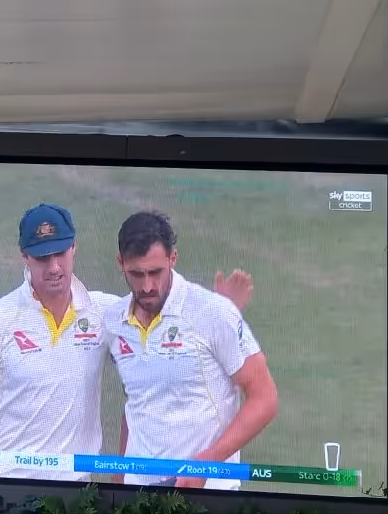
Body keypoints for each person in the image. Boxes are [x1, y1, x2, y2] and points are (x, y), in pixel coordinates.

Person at [0, 203, 251, 481]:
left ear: (74, 248)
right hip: (4, 488)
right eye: (42, 257)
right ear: (24, 257)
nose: (54, 267)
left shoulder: (106, 313)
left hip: (74, 499)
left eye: (61, 253)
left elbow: (165, 355)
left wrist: (221, 313)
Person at [108, 209, 278, 489]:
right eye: (136, 274)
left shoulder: (213, 312)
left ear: (173, 258)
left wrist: (208, 463)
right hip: (138, 494)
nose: (147, 286)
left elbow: (265, 398)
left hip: (207, 492)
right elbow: (137, 403)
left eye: (155, 272)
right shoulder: (114, 321)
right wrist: (120, 480)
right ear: (120, 263)